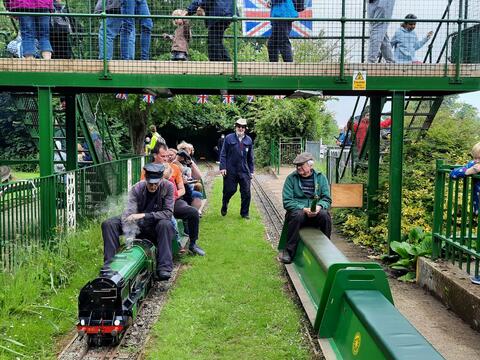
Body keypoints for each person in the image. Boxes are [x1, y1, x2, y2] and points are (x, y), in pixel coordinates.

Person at [101, 163, 176, 280]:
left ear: (161, 179)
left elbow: (168, 213)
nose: (153, 186)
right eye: (150, 183)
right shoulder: (137, 188)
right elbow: (128, 212)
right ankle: (110, 265)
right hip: (137, 224)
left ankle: (164, 267)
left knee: (166, 224)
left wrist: (143, 215)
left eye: (156, 183)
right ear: (145, 178)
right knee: (108, 224)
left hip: (156, 224)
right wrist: (129, 232)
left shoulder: (168, 187)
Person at [151, 142, 205, 256]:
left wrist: (172, 196)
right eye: (163, 156)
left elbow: (182, 189)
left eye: (167, 156)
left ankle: (193, 244)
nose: (166, 159)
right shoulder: (148, 169)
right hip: (156, 203)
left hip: (175, 200)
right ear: (155, 156)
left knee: (193, 212)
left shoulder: (174, 168)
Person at [278, 152, 332, 264]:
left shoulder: (321, 178)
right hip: (299, 212)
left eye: (301, 165)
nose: (298, 168)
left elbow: (327, 199)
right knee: (296, 215)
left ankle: (325, 250)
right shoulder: (291, 179)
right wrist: (303, 208)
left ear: (310, 165)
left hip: (315, 212)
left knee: (325, 216)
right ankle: (289, 252)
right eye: (297, 165)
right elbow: (287, 201)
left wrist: (319, 206)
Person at [450, 142, 480, 285]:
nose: (477, 161)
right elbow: (453, 174)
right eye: (476, 158)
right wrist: (469, 171)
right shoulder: (473, 165)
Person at [219, 118, 254, 219]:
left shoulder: (248, 140)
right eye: (239, 126)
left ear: (245, 128)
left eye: (243, 127)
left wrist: (251, 171)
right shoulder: (229, 138)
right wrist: (223, 167)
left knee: (246, 193)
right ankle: (225, 203)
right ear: (235, 127)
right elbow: (223, 153)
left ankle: (244, 213)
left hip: (244, 170)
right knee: (229, 190)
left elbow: (250, 157)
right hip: (231, 170)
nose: (241, 128)